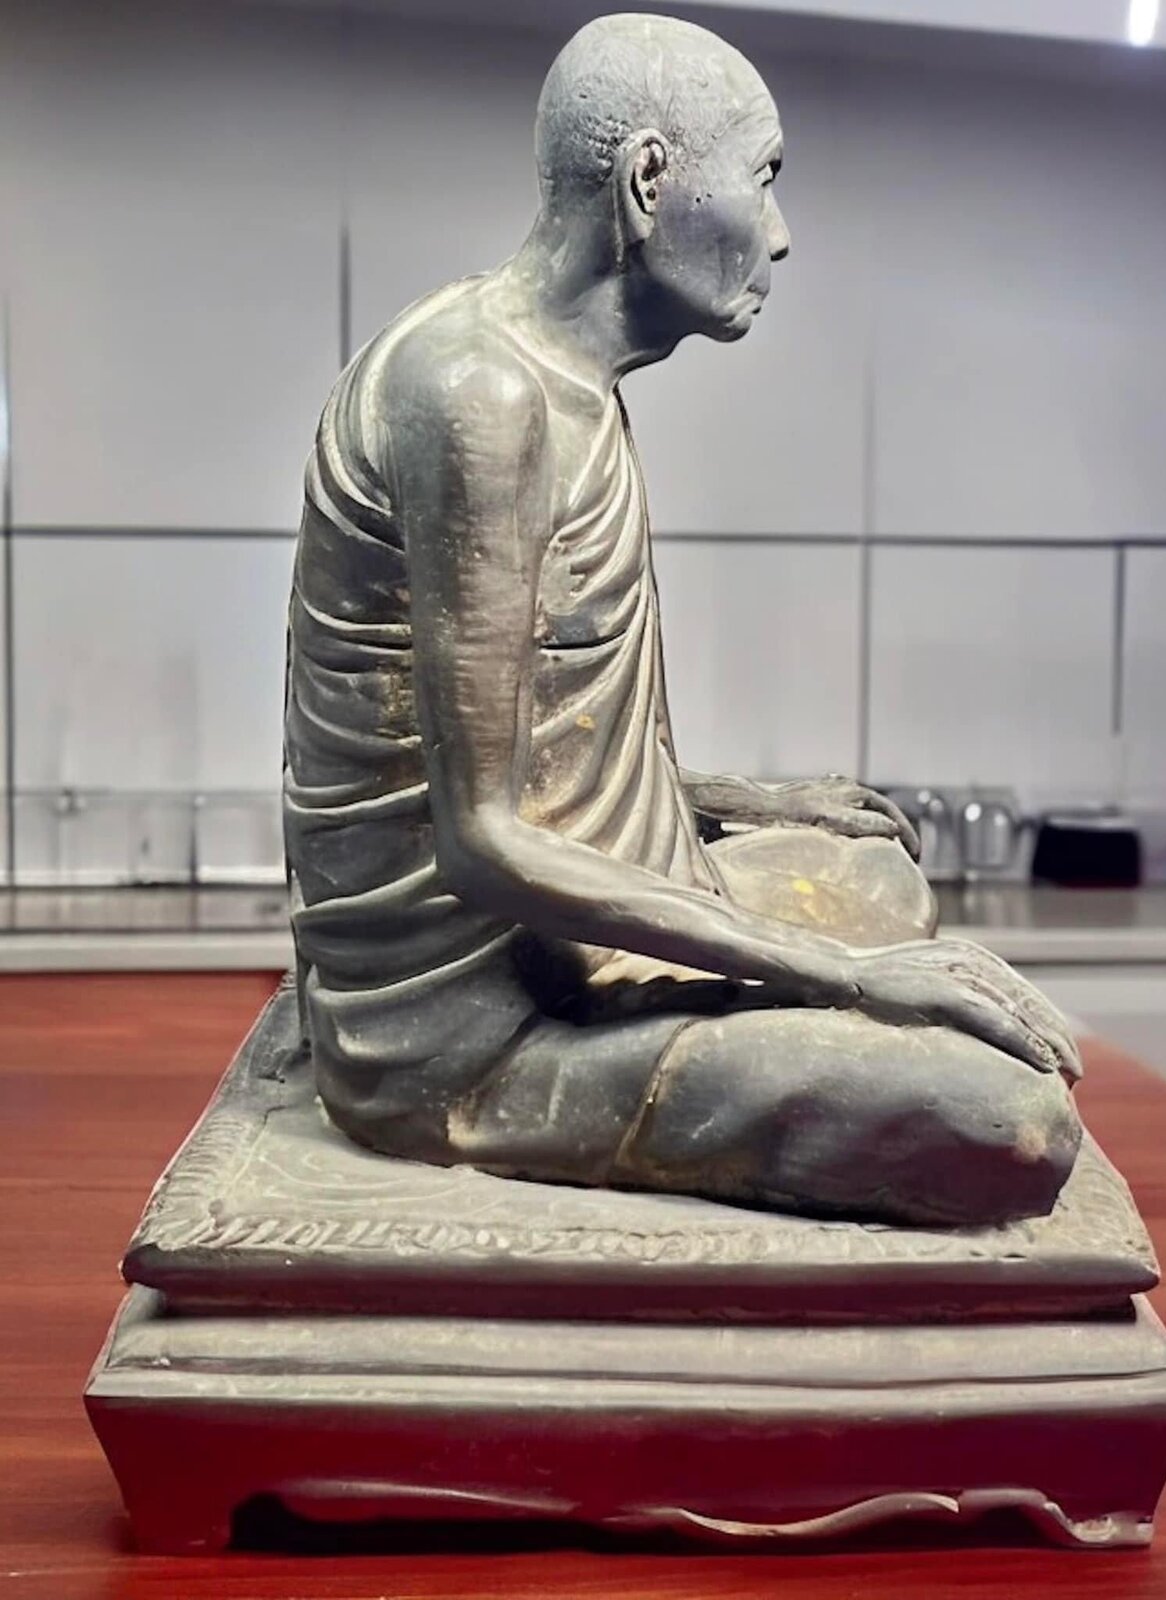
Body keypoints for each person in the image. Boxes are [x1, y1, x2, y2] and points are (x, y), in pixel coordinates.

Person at [284, 12, 1082, 1226]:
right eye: (762, 178)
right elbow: (481, 837)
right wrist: (853, 977)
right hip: (479, 1030)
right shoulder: (477, 396)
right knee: (1009, 1121)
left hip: (567, 940)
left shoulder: (566, 378)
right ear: (648, 181)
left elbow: (540, 753)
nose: (779, 233)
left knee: (871, 865)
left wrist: (743, 802)